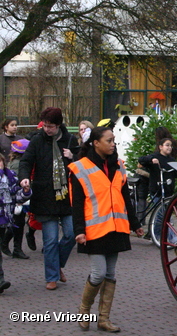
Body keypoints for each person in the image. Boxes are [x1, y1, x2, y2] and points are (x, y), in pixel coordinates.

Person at [70, 127, 144, 331]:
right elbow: (76, 203)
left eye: (114, 140)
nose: (113, 144)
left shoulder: (119, 165)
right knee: (98, 273)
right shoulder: (80, 168)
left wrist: (135, 224)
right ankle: (84, 311)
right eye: (109, 140)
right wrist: (79, 230)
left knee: (110, 274)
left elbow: (125, 198)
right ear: (96, 143)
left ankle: (103, 319)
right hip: (94, 230)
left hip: (116, 227)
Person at [18, 107, 77, 290]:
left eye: (51, 126)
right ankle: (51, 276)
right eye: (45, 126)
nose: (47, 129)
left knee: (71, 233)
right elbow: (26, 161)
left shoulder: (70, 139)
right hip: (44, 196)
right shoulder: (37, 141)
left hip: (66, 196)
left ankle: (57, 264)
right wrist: (24, 177)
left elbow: (84, 163)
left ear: (58, 125)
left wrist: (73, 157)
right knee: (50, 240)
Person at [0, 151, 32, 294]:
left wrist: (25, 191)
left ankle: (0, 280)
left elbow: (17, 197)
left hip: (3, 219)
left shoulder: (10, 177)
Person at [2, 139, 32, 259]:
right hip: (17, 197)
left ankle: (15, 247)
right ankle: (11, 246)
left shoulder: (15, 162)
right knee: (17, 223)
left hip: (18, 197)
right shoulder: (18, 164)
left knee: (18, 222)